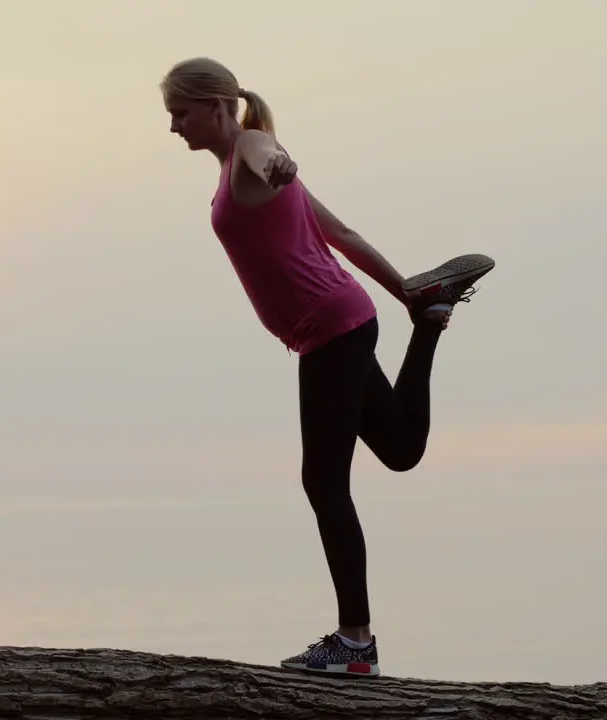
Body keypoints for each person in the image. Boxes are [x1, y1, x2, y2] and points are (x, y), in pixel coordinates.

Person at [159, 57, 494, 677]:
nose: (174, 126)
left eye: (180, 112)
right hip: (342, 321)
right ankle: (428, 323)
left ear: (215, 105)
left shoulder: (252, 149)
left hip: (330, 331)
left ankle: (355, 643)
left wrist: (279, 164)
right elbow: (338, 231)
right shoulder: (232, 171)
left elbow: (269, 156)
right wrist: (408, 292)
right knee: (400, 449)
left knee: (323, 481)